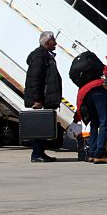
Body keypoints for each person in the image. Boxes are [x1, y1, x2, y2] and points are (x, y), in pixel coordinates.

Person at [23, 31, 62, 163]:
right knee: (41, 125)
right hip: (42, 98)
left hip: (45, 97)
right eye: (53, 41)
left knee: (44, 126)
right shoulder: (40, 57)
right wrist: (38, 99)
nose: (55, 43)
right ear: (47, 43)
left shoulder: (45, 55)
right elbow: (36, 79)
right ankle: (37, 153)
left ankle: (40, 152)